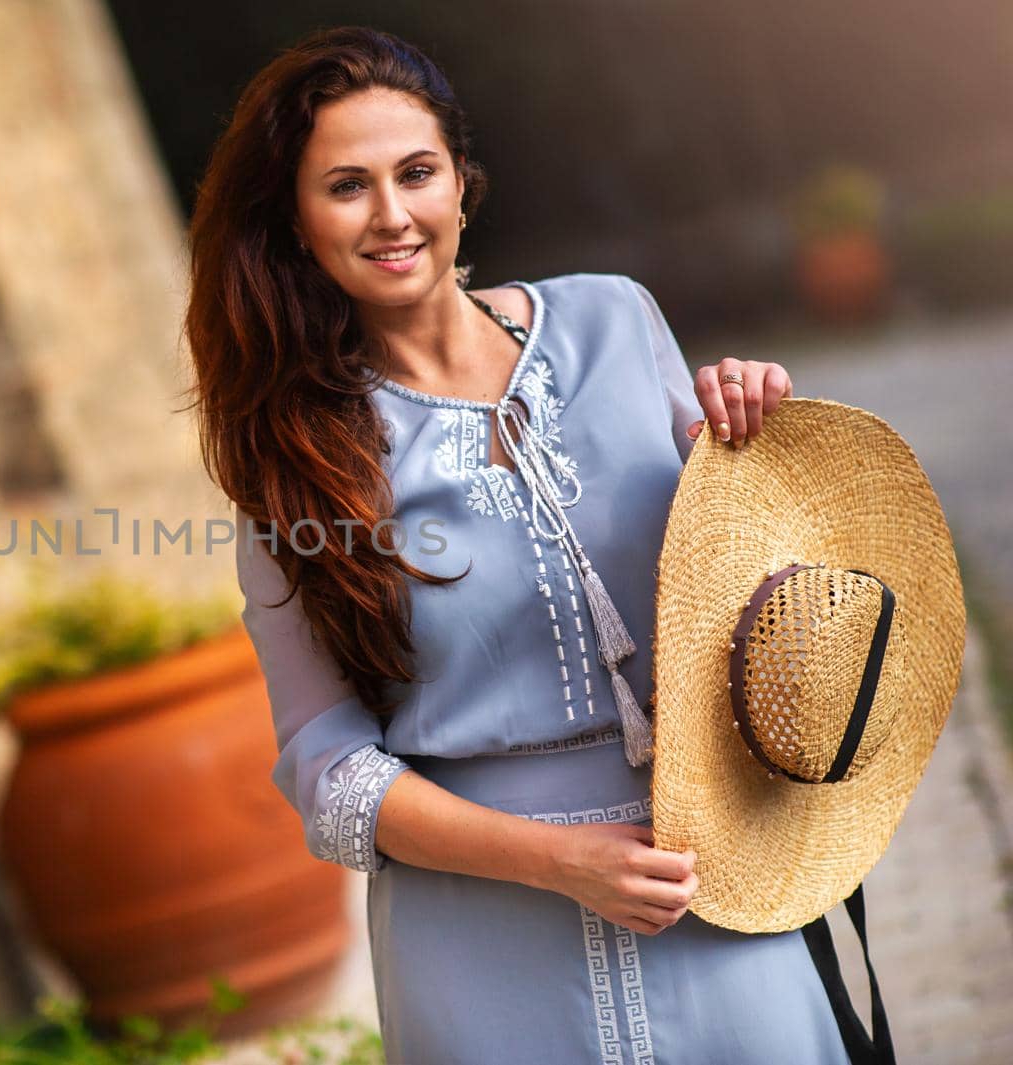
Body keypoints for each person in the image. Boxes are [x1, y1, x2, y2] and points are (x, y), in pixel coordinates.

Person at [185, 26, 846, 1064]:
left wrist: (759, 446)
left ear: (461, 182)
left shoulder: (614, 321)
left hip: (714, 872)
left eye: (416, 173)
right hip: (480, 936)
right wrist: (555, 862)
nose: (393, 215)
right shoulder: (292, 463)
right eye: (346, 187)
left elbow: (754, 581)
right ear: (293, 224)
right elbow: (330, 771)